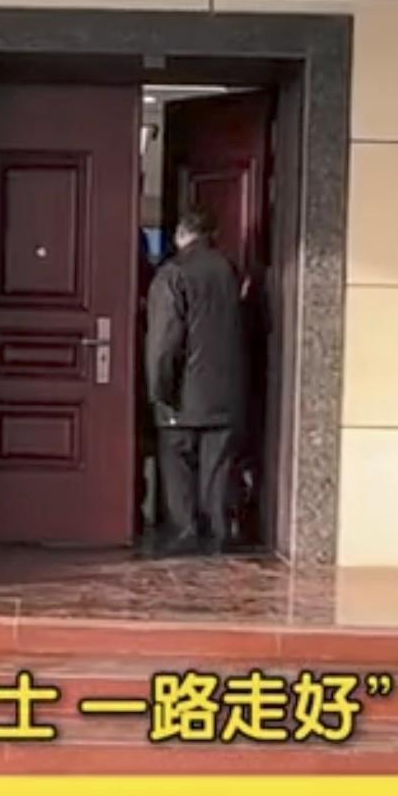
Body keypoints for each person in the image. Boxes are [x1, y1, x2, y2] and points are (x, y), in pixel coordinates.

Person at [145, 205, 246, 555]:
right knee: (217, 470)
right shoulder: (231, 271)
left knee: (179, 469)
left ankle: (186, 534)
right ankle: (218, 537)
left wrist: (159, 389)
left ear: (180, 234)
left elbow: (164, 341)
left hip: (182, 394)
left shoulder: (172, 274)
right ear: (211, 234)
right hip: (226, 392)